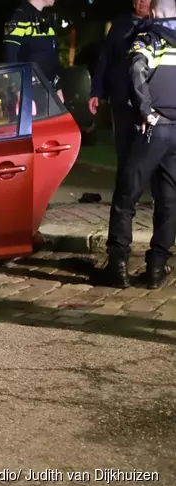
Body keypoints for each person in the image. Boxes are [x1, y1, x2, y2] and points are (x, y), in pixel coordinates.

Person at [103, 0, 176, 289]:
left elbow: (136, 69)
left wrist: (145, 110)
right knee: (169, 200)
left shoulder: (150, 37)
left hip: (153, 129)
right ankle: (157, 267)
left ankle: (117, 263)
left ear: (156, 12)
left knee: (126, 195)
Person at [89, 0, 152, 172]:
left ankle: (155, 195)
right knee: (123, 147)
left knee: (149, 148)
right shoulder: (120, 24)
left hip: (149, 97)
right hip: (121, 96)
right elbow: (105, 58)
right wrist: (96, 91)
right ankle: (124, 194)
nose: (143, 2)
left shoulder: (158, 25)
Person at [3, 0, 65, 103]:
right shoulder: (20, 16)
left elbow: (52, 57)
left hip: (49, 93)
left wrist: (58, 88)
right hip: (30, 94)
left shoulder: (47, 18)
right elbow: (10, 59)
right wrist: (21, 95)